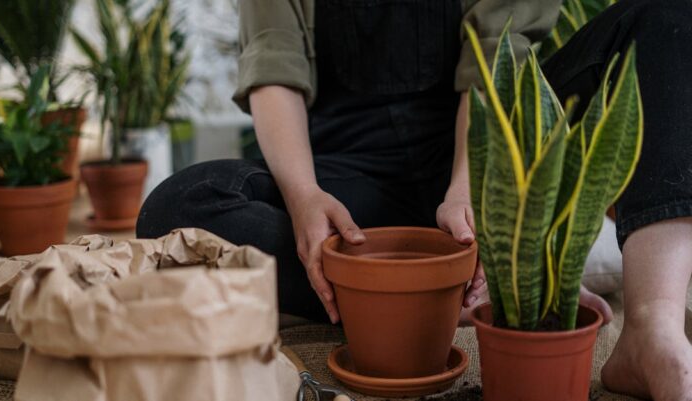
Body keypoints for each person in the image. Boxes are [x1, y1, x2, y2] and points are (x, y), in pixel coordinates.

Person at [137, 0, 692, 399]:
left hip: (486, 153)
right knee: (177, 207)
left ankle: (652, 329)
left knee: (667, 20)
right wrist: (305, 196)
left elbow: (499, 57)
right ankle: (431, 288)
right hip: (345, 189)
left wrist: (469, 189)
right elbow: (273, 65)